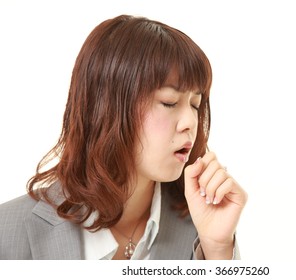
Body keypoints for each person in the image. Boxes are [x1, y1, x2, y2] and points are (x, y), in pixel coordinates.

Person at [0, 14, 247, 260]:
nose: (190, 123)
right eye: (169, 102)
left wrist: (217, 249)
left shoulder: (202, 227)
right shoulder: (8, 231)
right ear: (107, 106)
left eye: (195, 104)